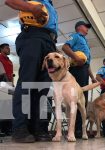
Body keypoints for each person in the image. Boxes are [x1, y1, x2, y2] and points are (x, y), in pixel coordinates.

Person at [5, 0, 58, 143]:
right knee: (27, 82)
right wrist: (30, 7)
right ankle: (20, 128)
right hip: (32, 35)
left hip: (49, 41)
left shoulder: (50, 5)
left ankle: (39, 128)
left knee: (43, 88)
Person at [62, 21, 96, 138]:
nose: (87, 29)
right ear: (79, 27)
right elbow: (65, 47)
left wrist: (92, 77)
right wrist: (76, 57)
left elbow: (87, 63)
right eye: (86, 27)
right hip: (76, 69)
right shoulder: (75, 36)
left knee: (83, 101)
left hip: (84, 70)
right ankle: (74, 130)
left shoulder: (85, 42)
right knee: (74, 100)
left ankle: (81, 130)